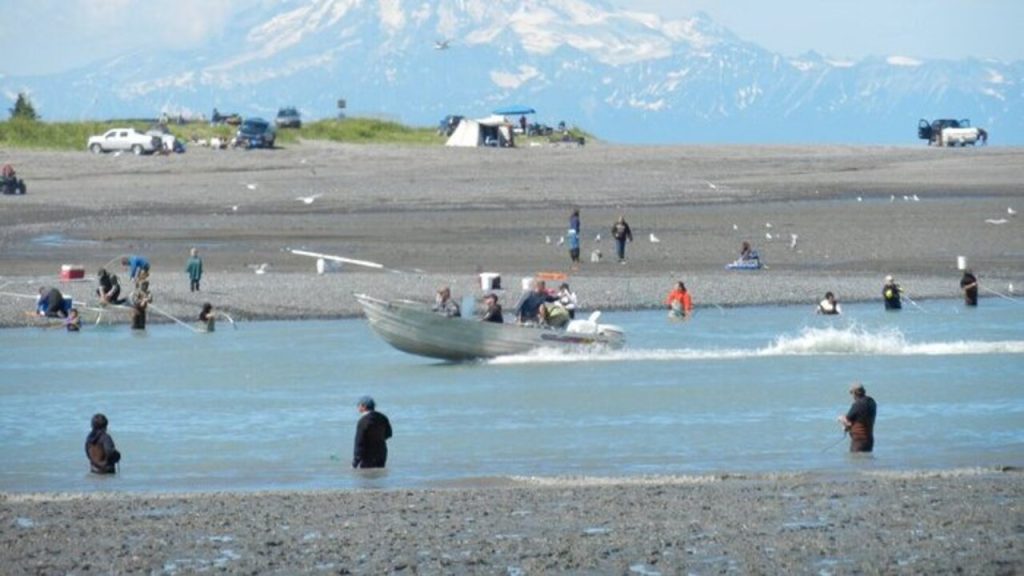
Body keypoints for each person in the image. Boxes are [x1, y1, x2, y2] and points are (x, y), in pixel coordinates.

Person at [352, 396, 392, 469]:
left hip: (368, 455)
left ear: (364, 406)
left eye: (359, 405)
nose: (358, 408)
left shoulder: (363, 421)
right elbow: (389, 434)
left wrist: (355, 461)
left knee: (366, 477)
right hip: (382, 453)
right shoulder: (383, 417)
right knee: (379, 477)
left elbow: (359, 442)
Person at [837, 382, 877, 453]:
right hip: (869, 440)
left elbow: (846, 419)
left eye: (851, 393)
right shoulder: (872, 402)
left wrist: (840, 418)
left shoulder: (858, 404)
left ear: (854, 393)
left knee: (856, 462)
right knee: (866, 462)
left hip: (858, 441)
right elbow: (861, 419)